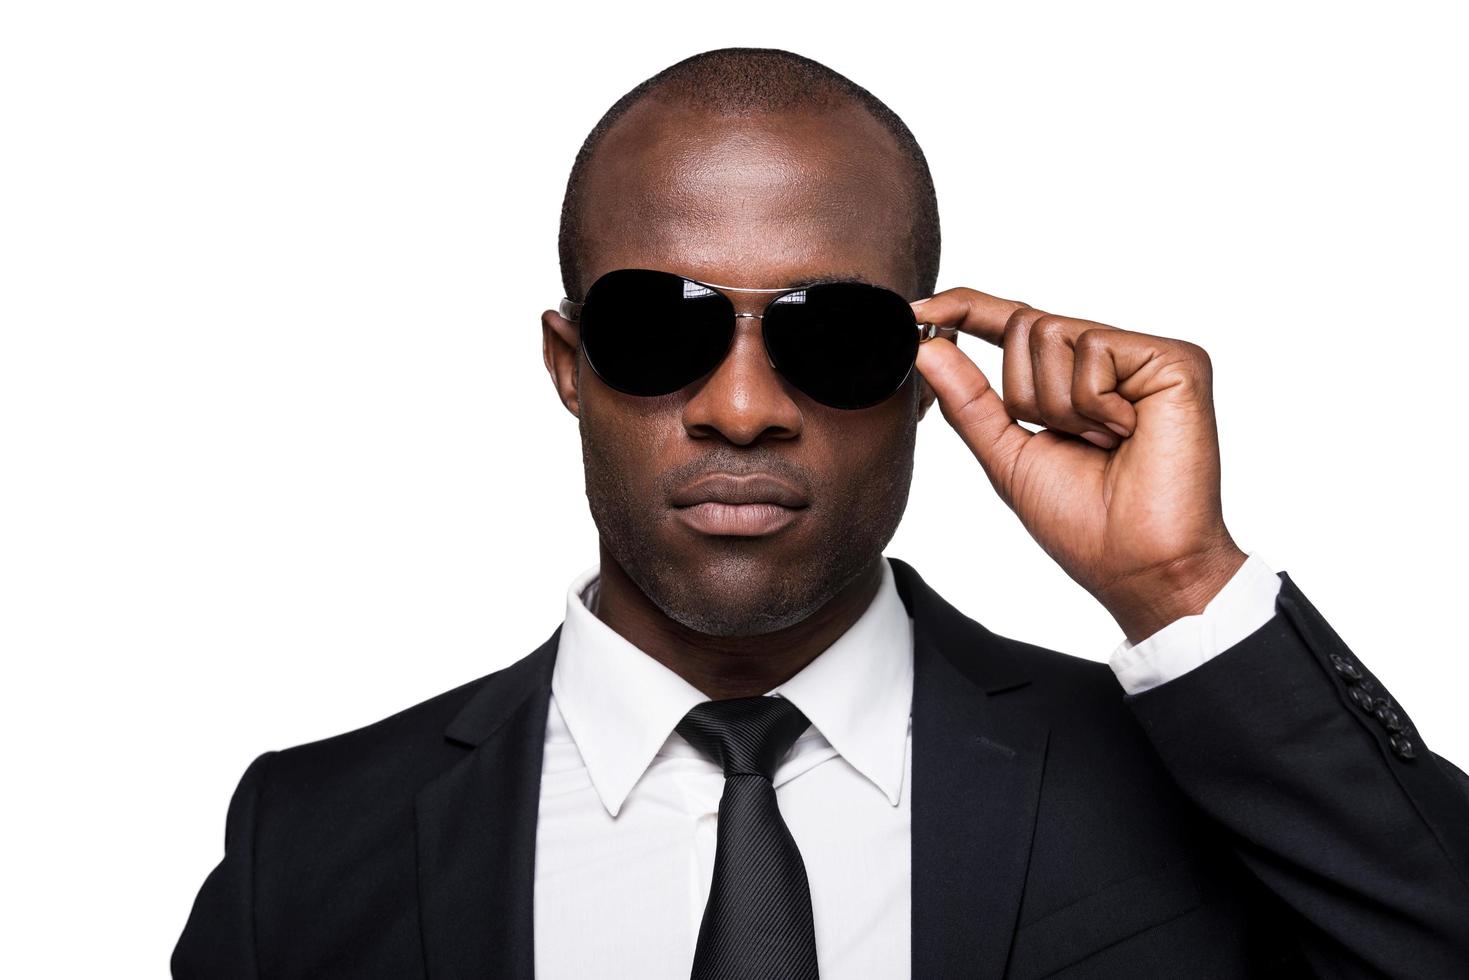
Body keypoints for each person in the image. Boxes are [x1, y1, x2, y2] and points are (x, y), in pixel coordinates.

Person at [173, 47, 1469, 979]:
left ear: (923, 371)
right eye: (655, 328)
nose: (742, 407)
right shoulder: (311, 845)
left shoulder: (1187, 794)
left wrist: (1181, 587)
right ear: (568, 368)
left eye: (832, 336)